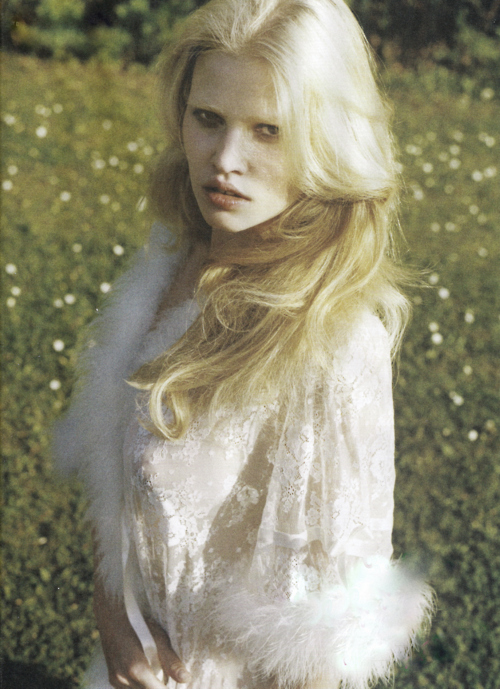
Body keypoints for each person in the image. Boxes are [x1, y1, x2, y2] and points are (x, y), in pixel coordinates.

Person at [54, 1, 435, 688]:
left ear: (328, 141)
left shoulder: (336, 341)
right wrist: (115, 615)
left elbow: (325, 642)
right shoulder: (175, 257)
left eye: (269, 130)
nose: (225, 161)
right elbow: (117, 481)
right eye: (208, 119)